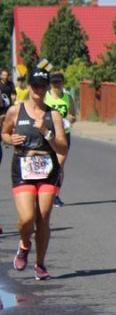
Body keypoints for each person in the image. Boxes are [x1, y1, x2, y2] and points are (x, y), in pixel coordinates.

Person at [1, 68, 68, 280]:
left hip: (47, 168)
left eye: (42, 86)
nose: (38, 90)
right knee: (27, 218)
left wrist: (46, 132)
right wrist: (10, 139)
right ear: (29, 87)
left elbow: (63, 147)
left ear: (47, 88)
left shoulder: (53, 115)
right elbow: (4, 132)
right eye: (35, 86)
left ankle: (40, 264)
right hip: (23, 166)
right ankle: (24, 244)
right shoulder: (15, 111)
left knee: (43, 217)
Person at [43, 71, 76, 208]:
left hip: (63, 134)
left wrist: (70, 119)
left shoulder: (68, 98)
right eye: (54, 82)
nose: (56, 85)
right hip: (47, 134)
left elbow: (73, 115)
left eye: (58, 82)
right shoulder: (45, 97)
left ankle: (55, 195)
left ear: (62, 83)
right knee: (46, 164)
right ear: (50, 84)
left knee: (59, 165)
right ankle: (44, 193)